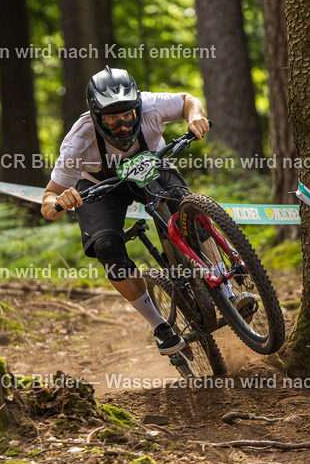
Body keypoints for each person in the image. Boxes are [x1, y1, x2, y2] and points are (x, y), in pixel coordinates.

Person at [41, 66, 210, 356]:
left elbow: (187, 100)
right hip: (100, 185)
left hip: (151, 165)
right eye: (111, 118)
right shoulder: (78, 140)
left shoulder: (150, 106)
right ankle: (158, 326)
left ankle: (224, 282)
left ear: (136, 107)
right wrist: (60, 201)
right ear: (96, 117)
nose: (122, 125)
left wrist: (195, 117)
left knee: (185, 209)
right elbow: (48, 202)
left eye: (127, 115)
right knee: (107, 247)